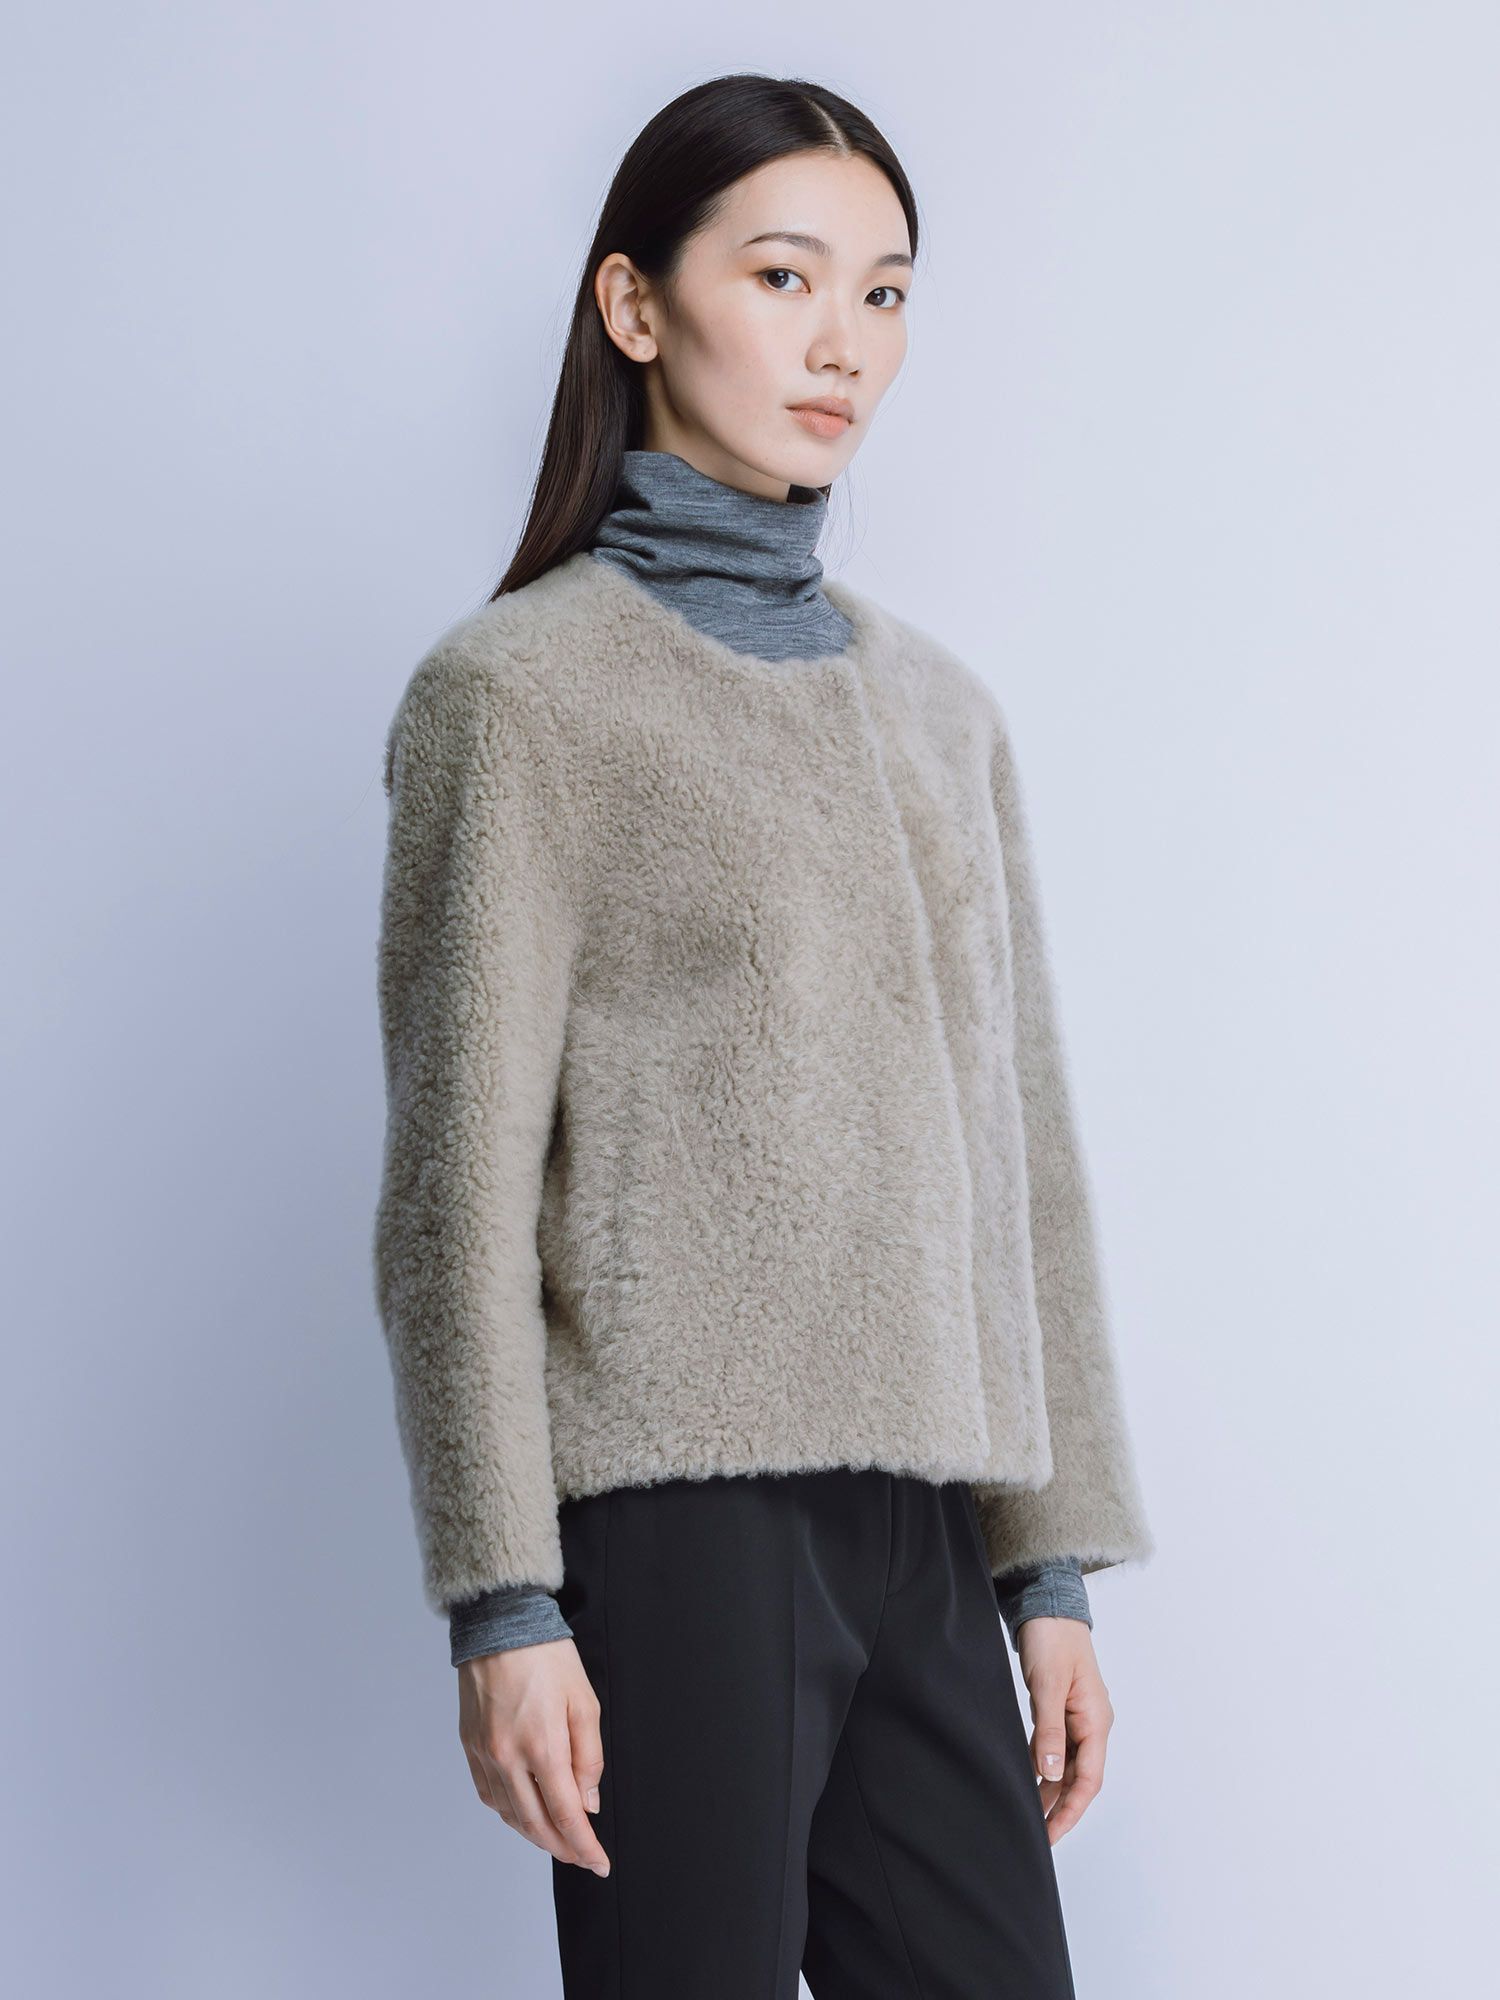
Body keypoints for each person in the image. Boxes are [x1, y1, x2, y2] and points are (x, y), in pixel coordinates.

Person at [373, 72, 1154, 1999]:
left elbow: (1021, 1161)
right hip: (675, 1528)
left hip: (925, 1523)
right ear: (635, 305)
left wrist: (1047, 1567)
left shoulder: (945, 715)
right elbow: (457, 1192)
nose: (843, 343)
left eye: (885, 294)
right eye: (787, 275)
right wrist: (504, 1601)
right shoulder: (520, 698)